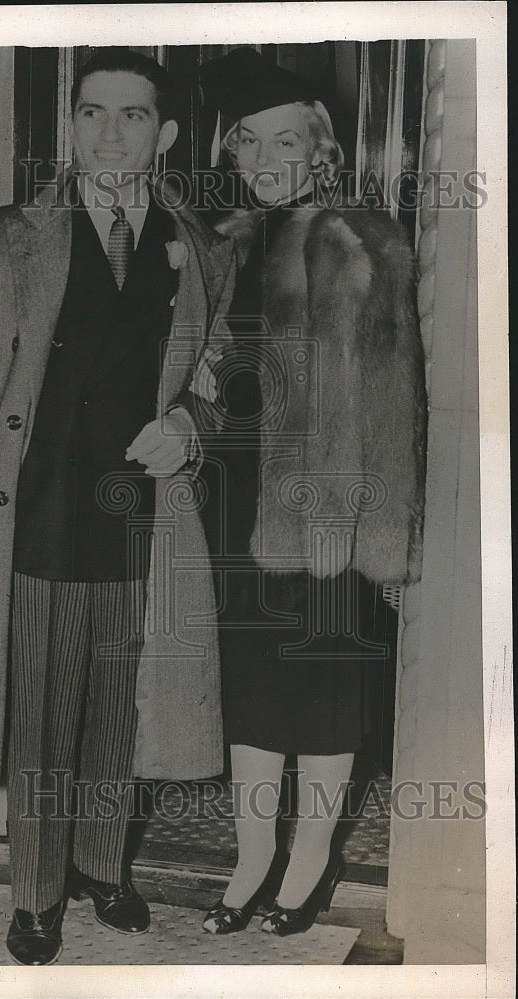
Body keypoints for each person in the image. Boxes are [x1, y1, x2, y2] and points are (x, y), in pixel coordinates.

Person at [0, 47, 235, 965]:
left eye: (133, 116)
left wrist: (190, 420)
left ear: (167, 134)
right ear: (70, 125)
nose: (110, 133)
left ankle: (105, 865)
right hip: (29, 510)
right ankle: (35, 895)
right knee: (39, 714)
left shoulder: (207, 245)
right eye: (93, 113)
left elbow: (226, 366)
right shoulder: (5, 235)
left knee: (120, 705)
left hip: (142, 518)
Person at [196, 48, 427, 937]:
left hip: (316, 506)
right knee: (254, 692)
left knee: (322, 691)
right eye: (249, 143)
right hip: (242, 502)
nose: (264, 159)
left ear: (319, 144)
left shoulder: (348, 234)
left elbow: (365, 384)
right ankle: (254, 855)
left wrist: (332, 505)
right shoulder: (241, 240)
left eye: (283, 140)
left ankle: (309, 863)